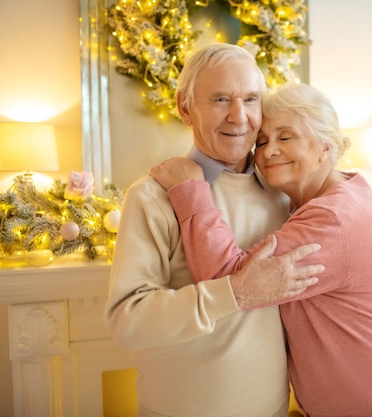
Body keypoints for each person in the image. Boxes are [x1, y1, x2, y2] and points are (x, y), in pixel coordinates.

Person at [150, 83, 372, 417]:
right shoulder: (344, 191)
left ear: (326, 147)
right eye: (262, 141)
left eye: (285, 138)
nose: (269, 151)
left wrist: (190, 190)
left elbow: (228, 278)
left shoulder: (331, 217)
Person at [104, 44, 325, 417]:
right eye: (221, 99)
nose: (239, 116)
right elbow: (128, 321)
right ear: (185, 108)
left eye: (250, 99)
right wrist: (234, 293)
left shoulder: (283, 190)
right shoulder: (151, 197)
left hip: (273, 409)